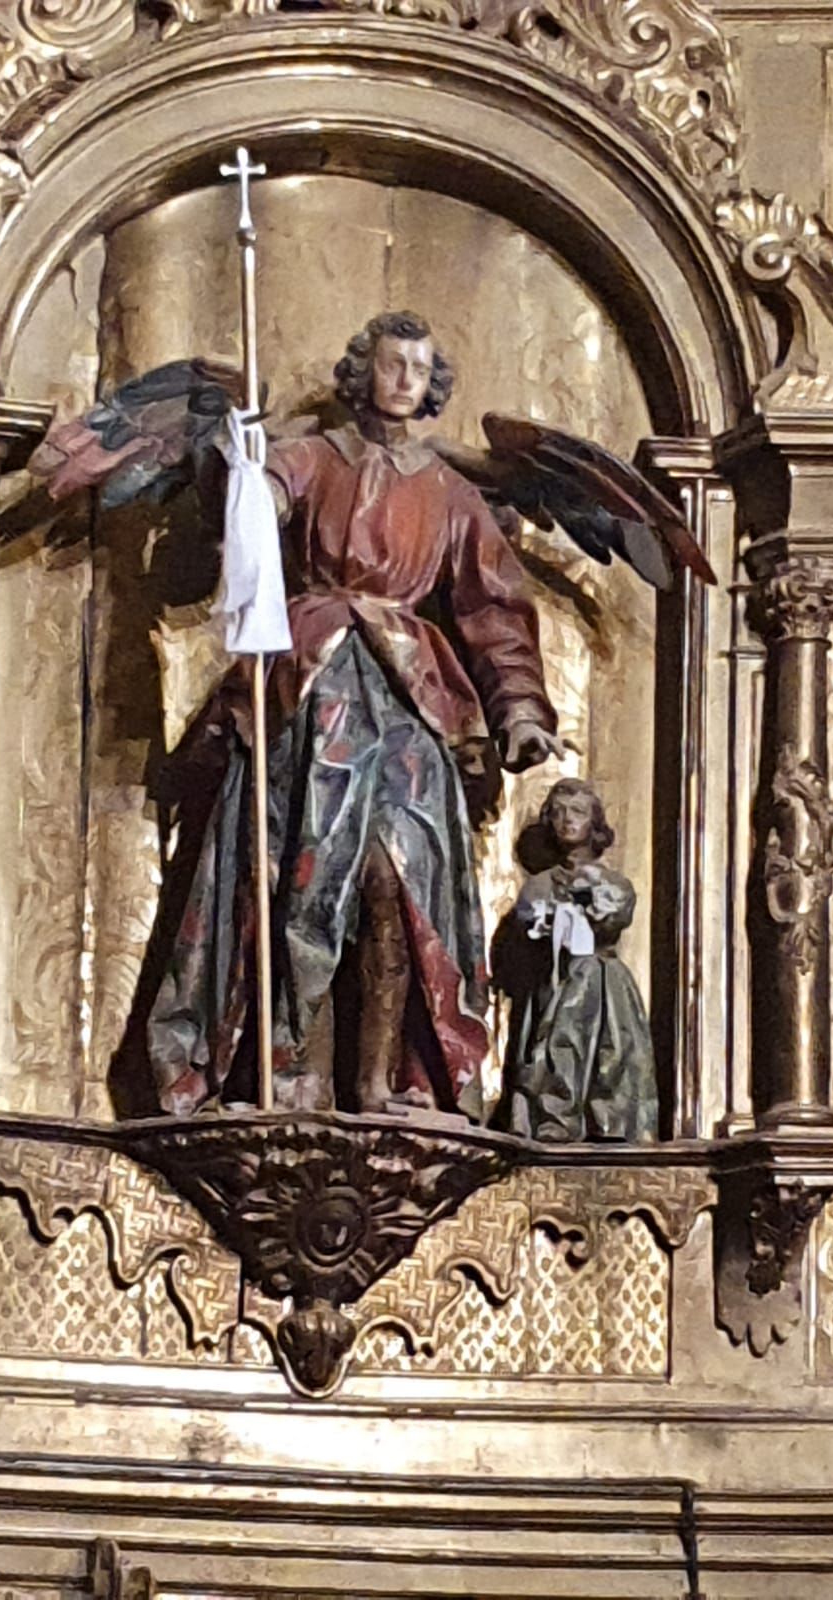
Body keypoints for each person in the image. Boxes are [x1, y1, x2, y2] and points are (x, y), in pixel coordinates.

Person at [114, 311, 560, 1120]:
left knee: (399, 886)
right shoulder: (315, 458)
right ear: (363, 372)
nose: (404, 380)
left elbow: (493, 608)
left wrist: (519, 708)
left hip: (412, 702)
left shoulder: (452, 494)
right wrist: (239, 456)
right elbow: (250, 504)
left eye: (420, 370)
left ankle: (380, 1081)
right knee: (306, 880)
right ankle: (291, 1075)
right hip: (313, 686)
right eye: (392, 364)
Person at [496, 778, 658, 1142]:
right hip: (554, 979)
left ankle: (610, 1120)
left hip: (601, 981)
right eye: (559, 813)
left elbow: (616, 912)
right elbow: (528, 920)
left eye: (578, 813)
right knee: (555, 1043)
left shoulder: (612, 882)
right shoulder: (539, 884)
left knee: (611, 1052)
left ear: (594, 824)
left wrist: (588, 895)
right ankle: (555, 1116)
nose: (568, 820)